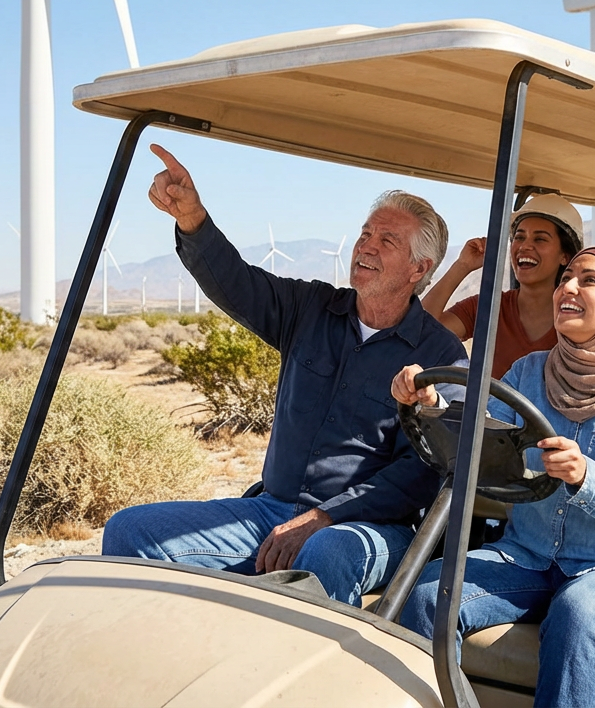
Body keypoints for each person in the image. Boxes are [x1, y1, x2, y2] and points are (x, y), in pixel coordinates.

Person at [101, 143, 467, 607]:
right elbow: (237, 283)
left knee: (325, 553)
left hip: (366, 528)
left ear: (420, 268)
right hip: (270, 511)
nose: (366, 247)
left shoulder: (440, 355)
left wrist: (324, 516)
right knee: (128, 531)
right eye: (364, 234)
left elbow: (423, 472)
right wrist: (192, 220)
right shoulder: (309, 309)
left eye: (386, 241)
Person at [395, 246, 595, 708]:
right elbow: (479, 443)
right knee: (429, 595)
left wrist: (585, 477)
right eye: (566, 278)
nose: (568, 288)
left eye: (589, 280)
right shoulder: (530, 371)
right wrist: (431, 407)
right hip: (528, 556)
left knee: (580, 612)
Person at [421, 194, 583, 379]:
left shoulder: (578, 315)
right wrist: (463, 265)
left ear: (565, 255)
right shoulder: (489, 307)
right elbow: (422, 333)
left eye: (540, 239)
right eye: (519, 237)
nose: (524, 246)